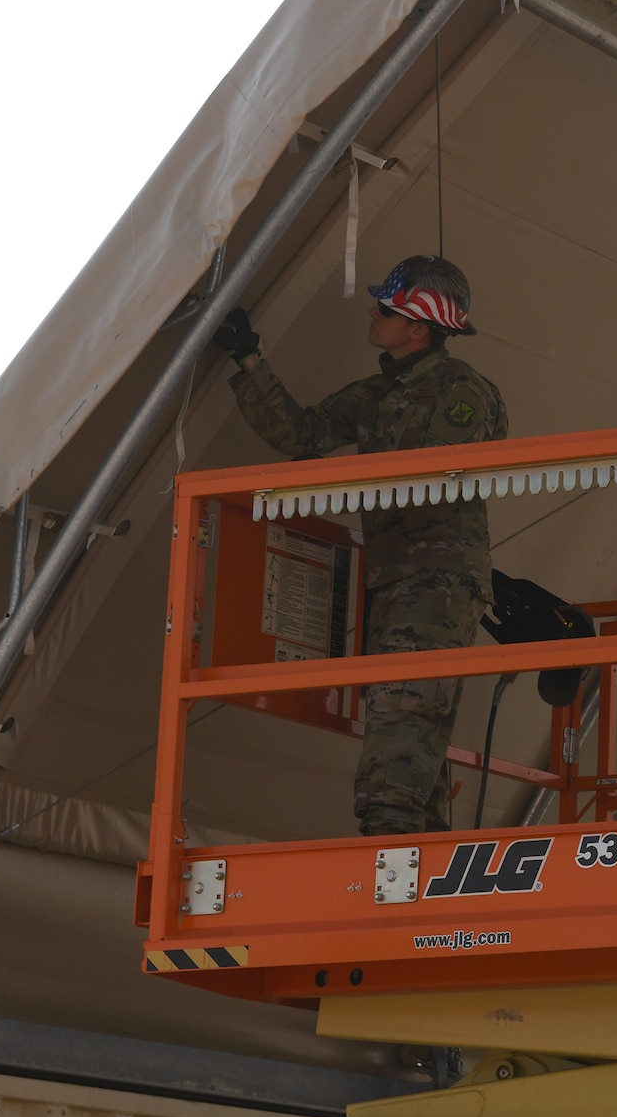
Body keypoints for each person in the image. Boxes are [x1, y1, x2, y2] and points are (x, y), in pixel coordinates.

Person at [212, 255, 509, 833]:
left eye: (387, 308)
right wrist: (248, 358)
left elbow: (431, 479)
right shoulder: (378, 392)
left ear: (418, 328)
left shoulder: (461, 391)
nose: (372, 313)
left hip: (437, 581)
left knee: (404, 707)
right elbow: (305, 434)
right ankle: (415, 843)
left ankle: (389, 838)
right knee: (408, 710)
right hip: (397, 578)